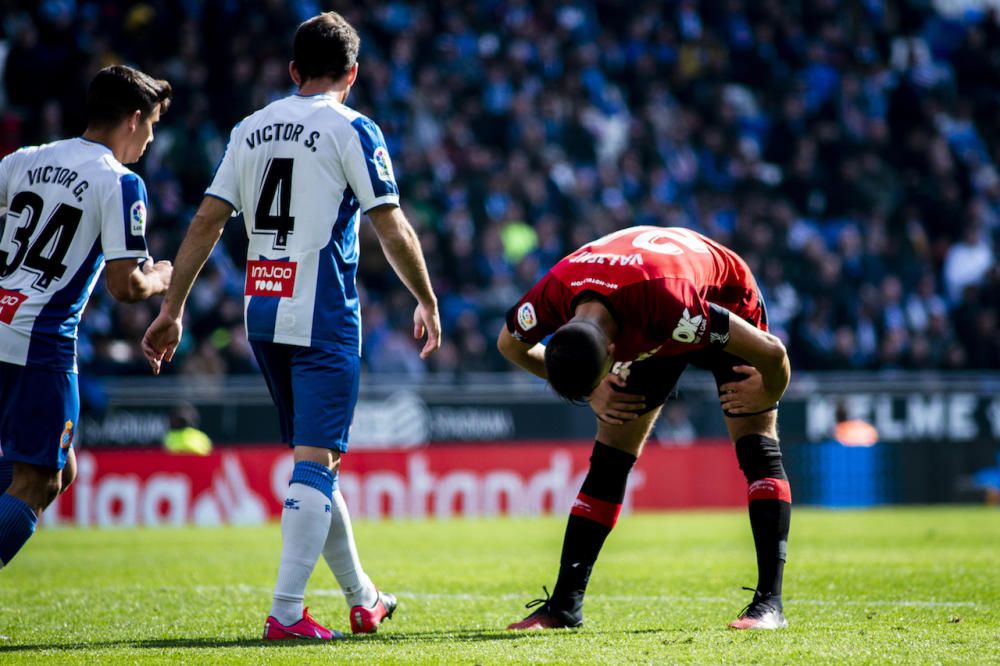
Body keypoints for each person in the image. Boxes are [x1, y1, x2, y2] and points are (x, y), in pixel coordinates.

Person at [141, 12, 441, 640]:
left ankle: (364, 599)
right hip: (324, 311)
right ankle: (284, 613)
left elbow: (206, 222)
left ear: (293, 71)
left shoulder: (249, 129)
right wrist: (426, 298)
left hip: (264, 312)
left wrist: (172, 309)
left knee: (316, 463)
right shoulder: (354, 128)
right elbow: (390, 224)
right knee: (316, 464)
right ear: (353, 74)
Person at [497, 225, 792, 630]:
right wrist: (594, 390)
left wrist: (768, 391)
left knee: (756, 447)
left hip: (715, 297)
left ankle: (769, 606)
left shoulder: (672, 307)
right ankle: (564, 608)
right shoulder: (553, 293)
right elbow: (509, 345)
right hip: (645, 308)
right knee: (609, 458)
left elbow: (774, 354)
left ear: (615, 352)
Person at [0, 65, 173, 569]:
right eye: (153, 125)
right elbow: (125, 286)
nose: (150, 139)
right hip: (41, 342)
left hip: (5, 319)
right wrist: (161, 276)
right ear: (134, 120)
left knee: (62, 466)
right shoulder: (120, 183)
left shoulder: (25, 160)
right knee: (41, 481)